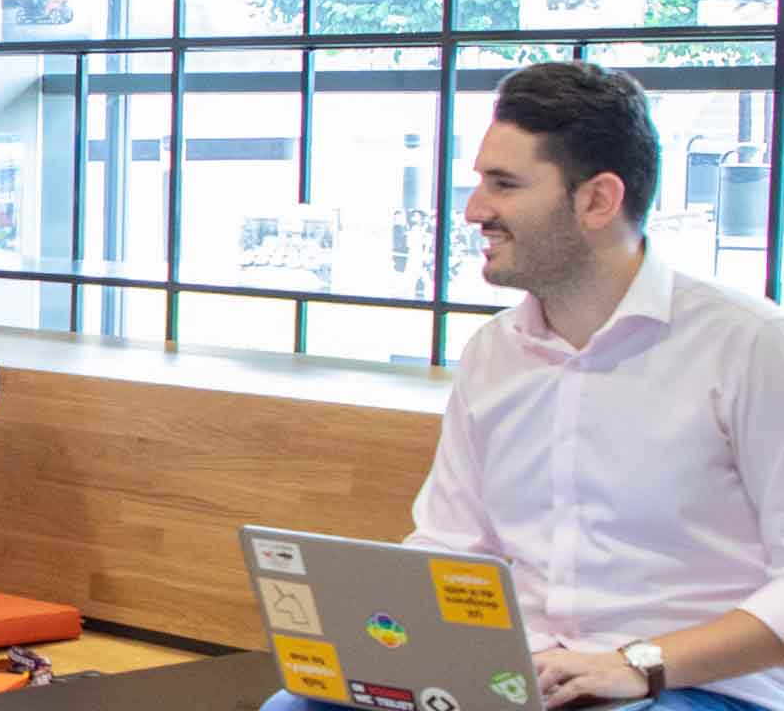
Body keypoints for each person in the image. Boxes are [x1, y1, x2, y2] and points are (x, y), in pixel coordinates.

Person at [321, 62, 783, 710]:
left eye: (503, 185)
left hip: (693, 686)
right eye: (480, 182)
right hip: (524, 674)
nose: (475, 210)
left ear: (597, 200)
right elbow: (452, 549)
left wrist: (639, 663)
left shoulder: (752, 344)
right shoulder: (492, 355)